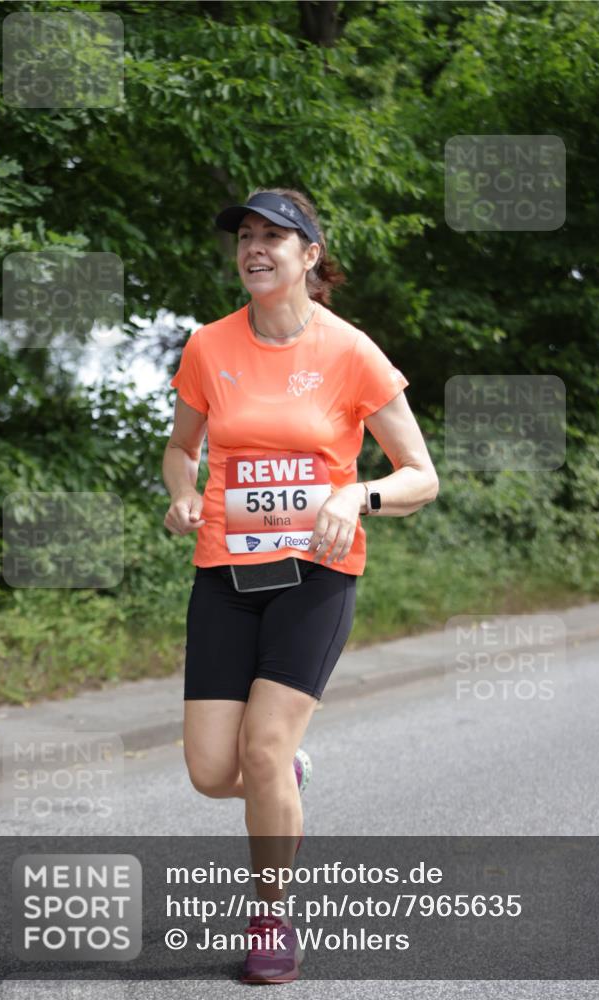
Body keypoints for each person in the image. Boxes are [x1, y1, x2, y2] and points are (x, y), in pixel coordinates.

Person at [162, 187, 439, 984]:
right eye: (244, 236)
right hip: (223, 572)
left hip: (314, 577)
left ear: (308, 256)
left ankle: (271, 919)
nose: (253, 248)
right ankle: (284, 774)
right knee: (214, 771)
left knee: (263, 744)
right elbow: (182, 448)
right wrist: (182, 491)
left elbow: (421, 475)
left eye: (271, 237)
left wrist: (357, 494)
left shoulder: (350, 352)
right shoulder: (208, 347)